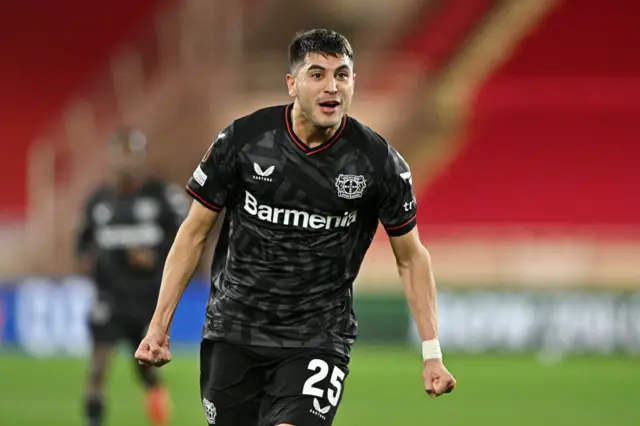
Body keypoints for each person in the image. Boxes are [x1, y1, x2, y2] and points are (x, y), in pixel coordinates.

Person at [135, 29, 456, 426]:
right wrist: (158, 326)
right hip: (234, 329)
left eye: (342, 74)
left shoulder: (377, 163)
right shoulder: (244, 141)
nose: (332, 87)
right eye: (317, 74)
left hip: (317, 337)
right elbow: (194, 231)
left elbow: (411, 256)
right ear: (292, 84)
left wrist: (432, 353)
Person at [76, 127, 188, 426]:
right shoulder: (99, 200)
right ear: (112, 157)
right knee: (98, 368)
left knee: (145, 370)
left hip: (146, 300)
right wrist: (87, 263)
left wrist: (154, 258)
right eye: (120, 154)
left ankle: (159, 412)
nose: (126, 162)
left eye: (132, 154)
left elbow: (187, 241)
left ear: (142, 158)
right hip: (109, 298)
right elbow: (81, 246)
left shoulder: (162, 197)